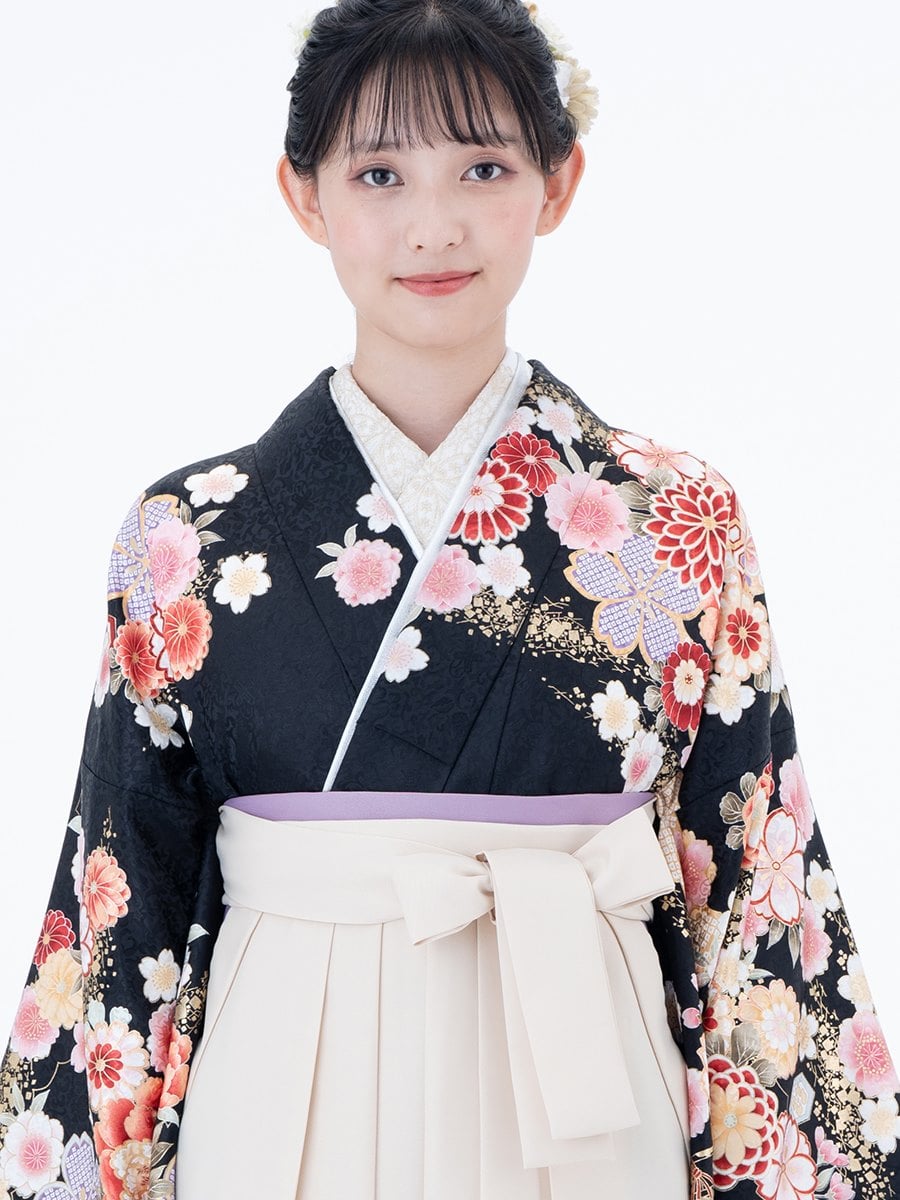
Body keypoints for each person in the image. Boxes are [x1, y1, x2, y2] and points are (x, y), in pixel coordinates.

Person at [1, 1, 898, 1197]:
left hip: (585, 1110)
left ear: (557, 183)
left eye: (483, 167)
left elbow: (753, 892)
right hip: (282, 1107)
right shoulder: (188, 540)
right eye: (380, 173)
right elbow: (122, 909)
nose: (433, 224)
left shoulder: (673, 521)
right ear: (305, 195)